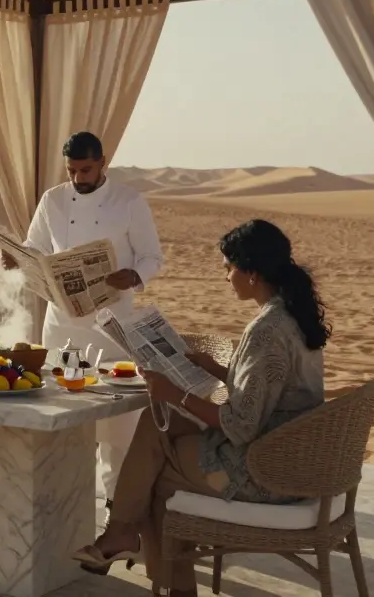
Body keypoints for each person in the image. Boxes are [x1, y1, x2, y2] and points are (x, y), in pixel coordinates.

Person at [71, 219, 329, 596]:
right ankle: (123, 533)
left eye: (229, 267)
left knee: (162, 482)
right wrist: (221, 372)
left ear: (252, 273)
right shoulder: (291, 315)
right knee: (160, 424)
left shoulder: (267, 330)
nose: (226, 277)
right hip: (291, 456)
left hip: (265, 472)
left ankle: (140, 551)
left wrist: (173, 392)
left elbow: (240, 426)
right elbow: (275, 392)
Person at [0, 131, 164, 522]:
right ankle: (63, 504)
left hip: (113, 327)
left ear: (103, 162)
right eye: (72, 170)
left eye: (85, 169)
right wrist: (19, 260)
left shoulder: (129, 202)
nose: (78, 177)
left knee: (115, 425)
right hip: (62, 325)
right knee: (62, 412)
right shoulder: (53, 200)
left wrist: (134, 276)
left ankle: (116, 511)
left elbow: (153, 257)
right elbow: (35, 246)